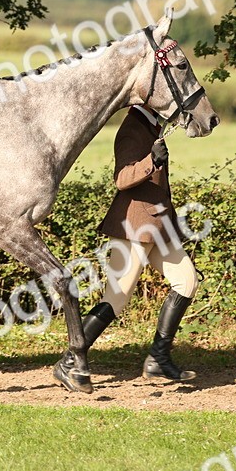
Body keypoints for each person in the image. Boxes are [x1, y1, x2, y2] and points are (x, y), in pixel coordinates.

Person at [53, 104, 200, 388]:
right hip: (134, 227)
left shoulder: (152, 126)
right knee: (116, 299)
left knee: (186, 281)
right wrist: (151, 163)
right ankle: (68, 361)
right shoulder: (133, 127)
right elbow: (122, 179)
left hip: (157, 226)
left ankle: (158, 360)